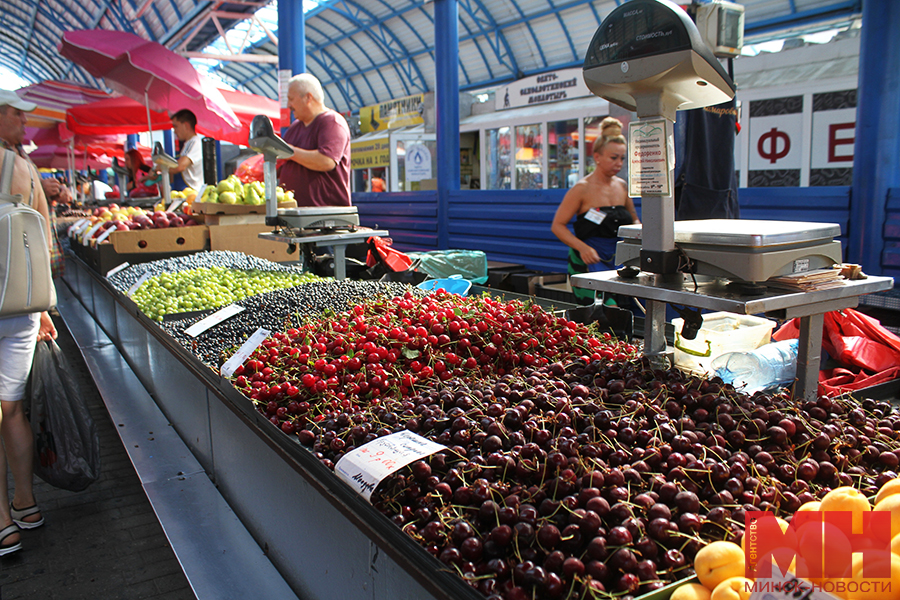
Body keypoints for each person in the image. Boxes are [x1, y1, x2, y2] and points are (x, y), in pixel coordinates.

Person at [0, 89, 57, 556]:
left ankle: (2, 522)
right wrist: (43, 308)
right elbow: (42, 239)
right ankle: (26, 503)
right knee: (11, 407)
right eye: (16, 114)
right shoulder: (22, 169)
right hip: (19, 302)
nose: (24, 123)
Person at [551, 117, 640, 305]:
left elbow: (633, 218)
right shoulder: (581, 189)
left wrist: (638, 231)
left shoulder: (623, 187)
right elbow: (558, 226)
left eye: (622, 158)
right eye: (613, 157)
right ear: (597, 157)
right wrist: (582, 248)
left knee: (623, 312)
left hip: (619, 260)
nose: (619, 163)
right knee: (601, 314)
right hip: (588, 260)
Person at [278, 74, 351, 207]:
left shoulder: (332, 122)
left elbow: (327, 161)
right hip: (295, 216)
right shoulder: (295, 127)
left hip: (325, 217)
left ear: (308, 98)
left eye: (291, 99)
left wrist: (290, 152)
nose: (289, 105)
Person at [168, 109, 203, 191]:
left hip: (192, 193)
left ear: (186, 125)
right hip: (185, 192)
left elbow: (180, 166)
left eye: (176, 126)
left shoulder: (194, 143)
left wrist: (159, 168)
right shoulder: (188, 144)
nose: (175, 131)